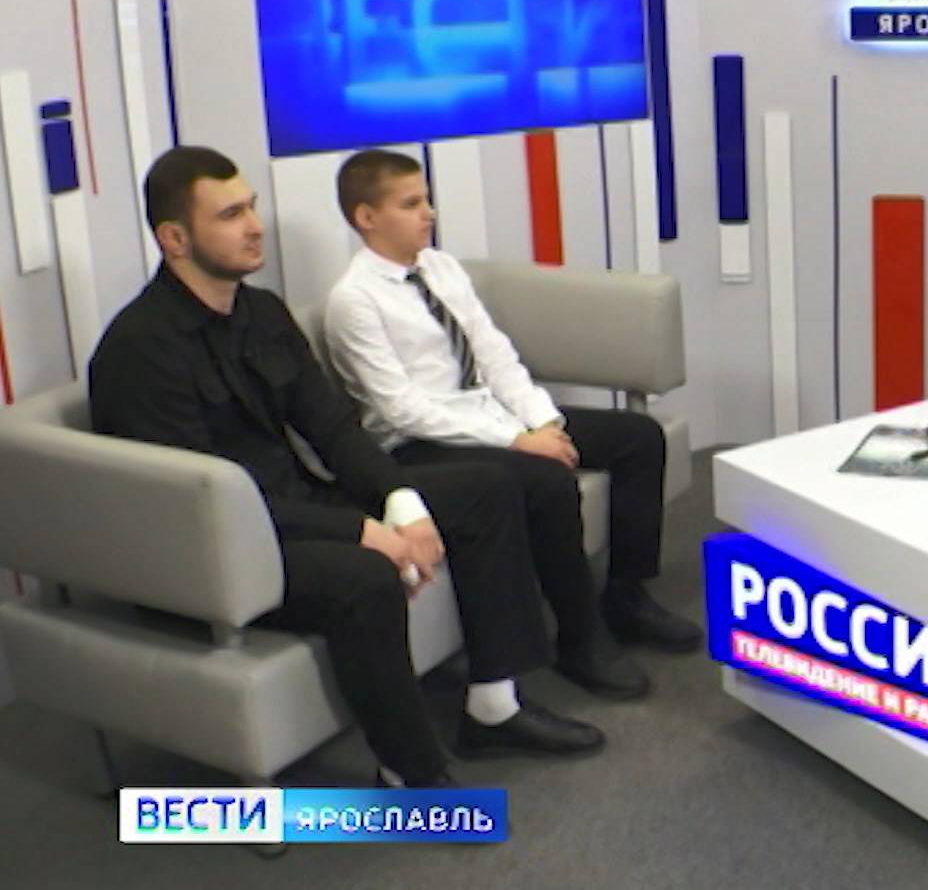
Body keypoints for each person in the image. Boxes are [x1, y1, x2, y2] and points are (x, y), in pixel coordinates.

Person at [89, 146, 610, 785]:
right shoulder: (140, 350)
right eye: (230, 215)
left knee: (488, 487)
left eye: (251, 207)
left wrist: (401, 504)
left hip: (296, 506)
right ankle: (410, 776)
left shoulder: (261, 313)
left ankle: (493, 708)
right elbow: (207, 500)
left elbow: (334, 429)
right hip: (221, 549)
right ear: (174, 238)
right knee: (364, 576)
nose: (254, 226)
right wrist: (364, 532)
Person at [323, 148, 700, 698]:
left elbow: (493, 354)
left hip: (488, 414)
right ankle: (580, 638)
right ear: (367, 217)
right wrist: (518, 441)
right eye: (410, 204)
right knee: (547, 480)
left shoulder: (440, 268)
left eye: (426, 199)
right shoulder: (353, 301)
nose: (428, 213)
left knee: (637, 439)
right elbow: (401, 409)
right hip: (421, 443)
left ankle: (626, 595)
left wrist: (544, 422)